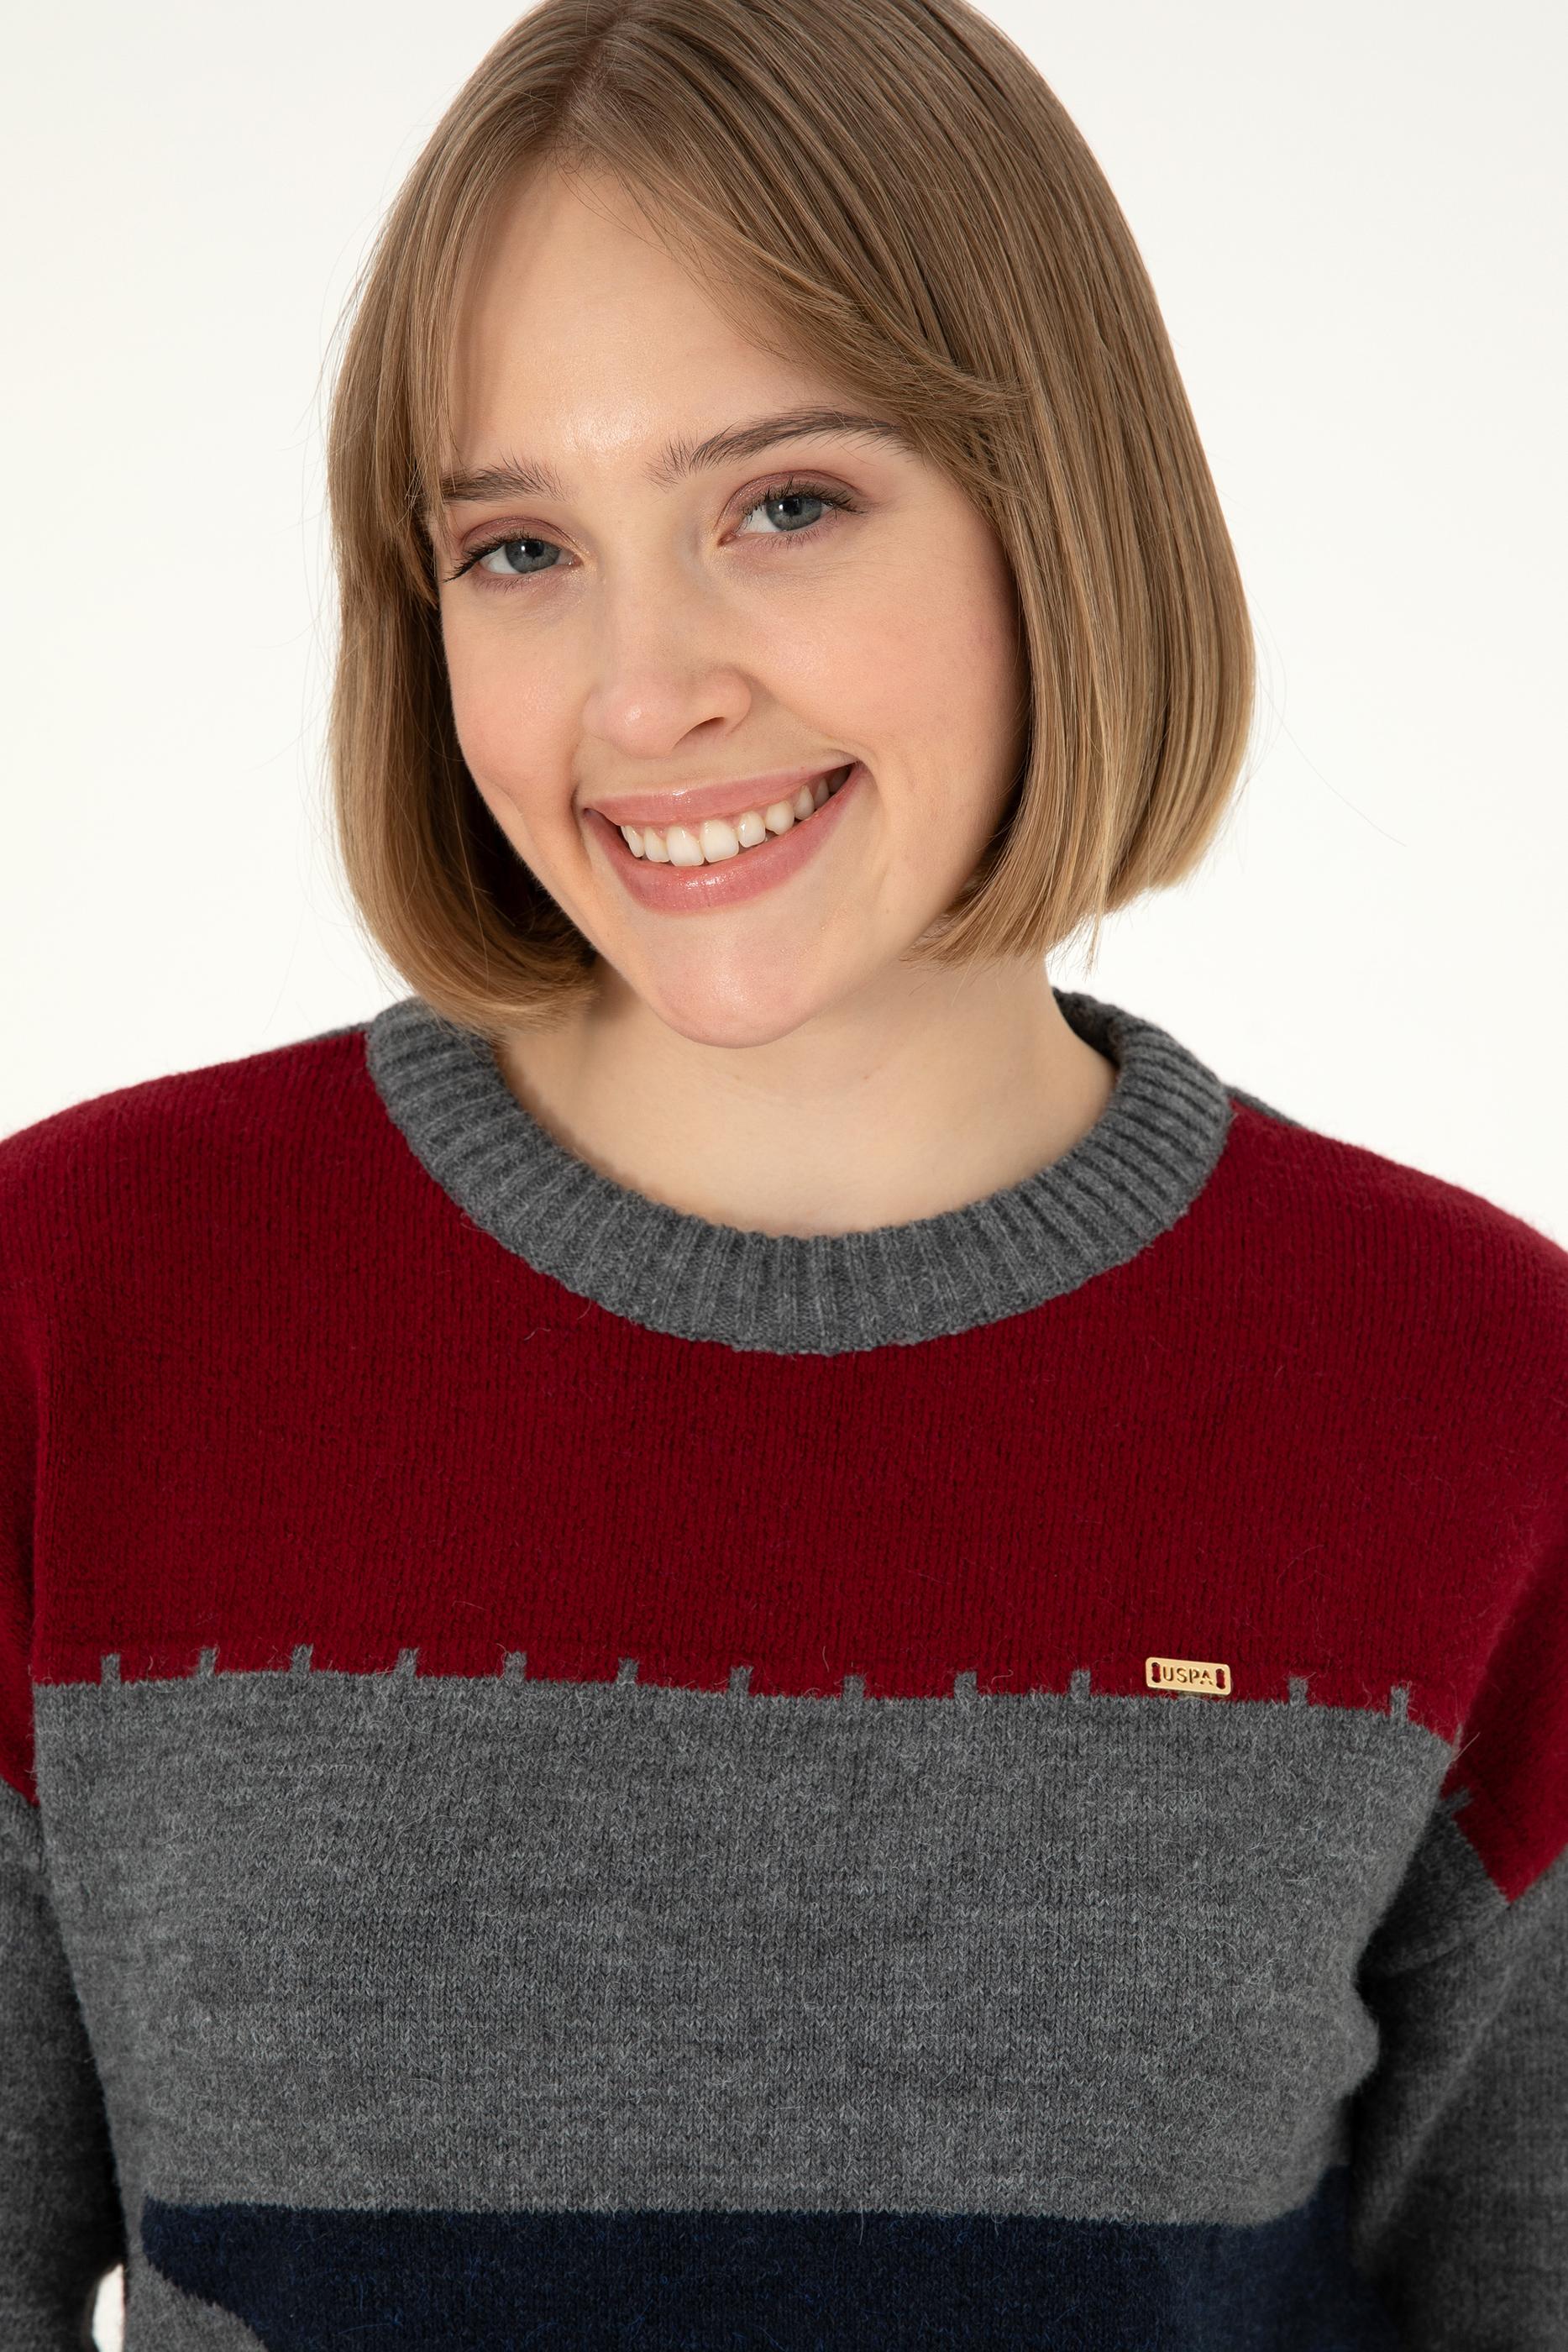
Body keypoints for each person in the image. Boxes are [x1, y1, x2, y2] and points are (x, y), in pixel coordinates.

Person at [3, 0, 1563, 2344]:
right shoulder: (76, 1311)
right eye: (518, 547)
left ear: (1062, 516)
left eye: (786, 505)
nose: (645, 693)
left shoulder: (1475, 1392)